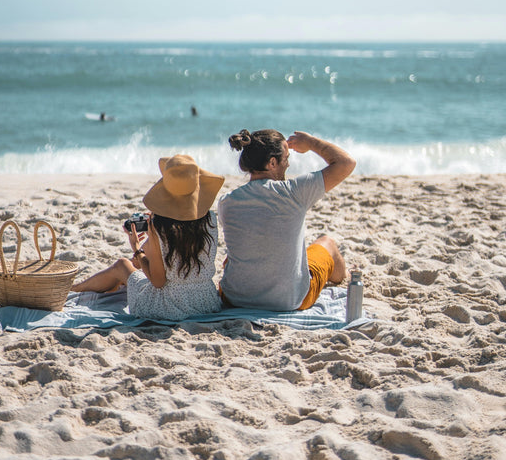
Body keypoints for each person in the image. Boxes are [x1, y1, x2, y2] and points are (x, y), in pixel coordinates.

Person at [73, 155, 225, 320]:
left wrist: (137, 248)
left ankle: (75, 289)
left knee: (123, 265)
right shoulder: (210, 218)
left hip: (170, 307)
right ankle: (81, 287)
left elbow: (158, 282)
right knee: (136, 267)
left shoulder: (160, 226)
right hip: (207, 302)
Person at [218, 129, 356, 311]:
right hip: (288, 301)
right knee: (327, 243)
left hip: (234, 298)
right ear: (272, 163)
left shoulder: (227, 201)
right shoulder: (294, 192)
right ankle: (342, 276)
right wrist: (311, 142)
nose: (288, 164)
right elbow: (346, 163)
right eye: (286, 158)